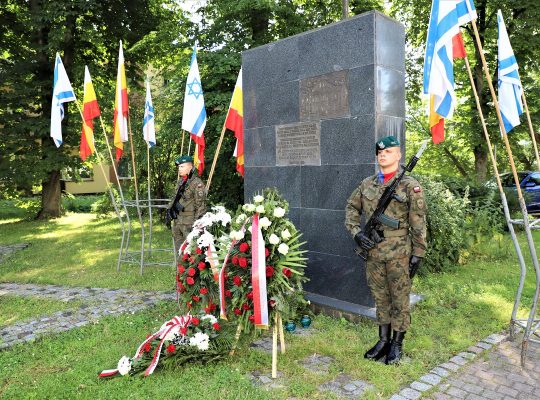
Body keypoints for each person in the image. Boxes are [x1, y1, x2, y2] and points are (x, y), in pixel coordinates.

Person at [345, 136, 427, 365]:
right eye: (380, 152)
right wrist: (357, 233)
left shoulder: (410, 185)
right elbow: (352, 207)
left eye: (388, 151)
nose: (383, 155)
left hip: (399, 253)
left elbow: (419, 222)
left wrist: (418, 253)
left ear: (398, 155)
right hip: (373, 253)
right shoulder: (367, 184)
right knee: (380, 297)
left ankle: (397, 344)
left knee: (400, 298)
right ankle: (383, 340)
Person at [166, 155, 207, 254]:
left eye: (182, 166)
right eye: (179, 167)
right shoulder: (180, 182)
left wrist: (196, 225)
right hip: (178, 221)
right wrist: (169, 212)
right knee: (179, 251)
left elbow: (201, 206)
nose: (179, 169)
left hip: (189, 223)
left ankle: (189, 270)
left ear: (190, 167)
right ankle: (179, 269)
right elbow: (175, 199)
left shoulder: (197, 184)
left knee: (191, 252)